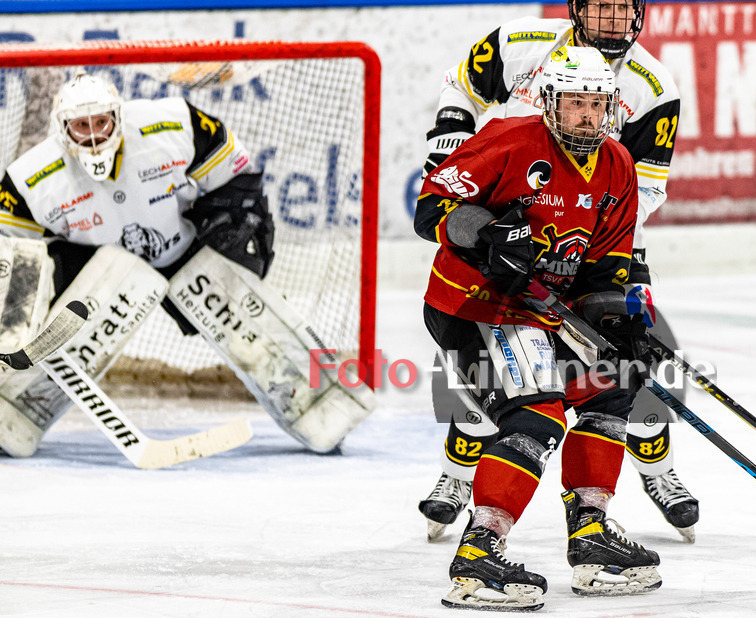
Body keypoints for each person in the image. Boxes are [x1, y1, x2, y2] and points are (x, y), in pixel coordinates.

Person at [417, 0, 700, 543]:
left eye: (624, 9)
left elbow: (636, 194)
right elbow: (460, 95)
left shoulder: (652, 88)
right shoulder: (518, 43)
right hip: (497, 243)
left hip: (582, 245)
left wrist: (595, 278)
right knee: (508, 384)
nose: (613, 21)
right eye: (601, 7)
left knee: (625, 365)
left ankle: (651, 477)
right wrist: (469, 206)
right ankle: (460, 480)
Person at [0, 71, 373, 459]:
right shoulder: (29, 179)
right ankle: (14, 412)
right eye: (81, 125)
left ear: (118, 116)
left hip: (185, 246)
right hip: (99, 267)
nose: (93, 135)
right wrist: (24, 310)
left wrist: (234, 219)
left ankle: (323, 408)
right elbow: (14, 256)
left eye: (101, 122)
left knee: (241, 317)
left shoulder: (170, 124)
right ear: (63, 130)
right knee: (76, 332)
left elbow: (233, 171)